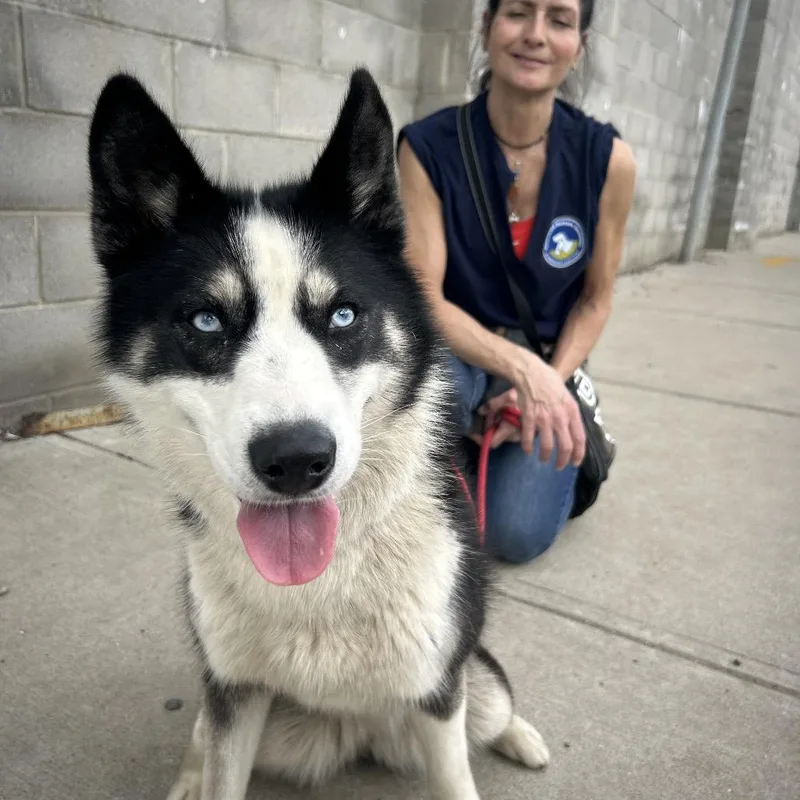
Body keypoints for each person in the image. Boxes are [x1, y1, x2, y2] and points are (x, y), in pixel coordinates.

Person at [397, 0, 636, 563]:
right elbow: (423, 296)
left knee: (513, 536)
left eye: (558, 20)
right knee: (442, 391)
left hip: (546, 354)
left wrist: (547, 382)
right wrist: (518, 371)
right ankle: (459, 434)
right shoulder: (427, 148)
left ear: (579, 44)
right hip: (455, 349)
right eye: (517, 14)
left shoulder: (609, 160)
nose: (535, 35)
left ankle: (508, 439)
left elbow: (596, 300)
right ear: (486, 26)